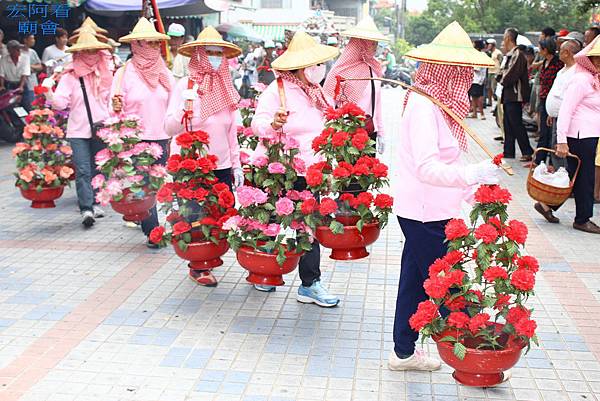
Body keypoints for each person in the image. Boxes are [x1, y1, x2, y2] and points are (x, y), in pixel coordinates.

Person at [387, 21, 498, 372]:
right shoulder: (423, 105)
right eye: (462, 70)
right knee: (450, 287)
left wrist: (471, 188)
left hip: (434, 209)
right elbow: (426, 167)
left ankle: (403, 352)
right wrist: (472, 174)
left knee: (415, 282)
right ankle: (477, 357)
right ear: (447, 71)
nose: (467, 77)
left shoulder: (439, 104)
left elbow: (447, 159)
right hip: (424, 212)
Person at [251, 31, 341, 306]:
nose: (319, 69)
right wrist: (275, 124)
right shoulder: (276, 90)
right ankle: (264, 271)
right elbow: (257, 125)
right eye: (313, 65)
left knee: (309, 226)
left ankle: (310, 283)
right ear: (299, 67)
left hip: (312, 171)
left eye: (320, 64)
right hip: (282, 172)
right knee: (271, 222)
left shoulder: (317, 93)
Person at [164, 27, 244, 286]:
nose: (214, 57)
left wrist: (237, 164)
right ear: (198, 55)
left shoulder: (226, 87)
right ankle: (198, 265)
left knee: (218, 215)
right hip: (191, 166)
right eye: (209, 52)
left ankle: (211, 257)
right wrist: (183, 113)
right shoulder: (184, 86)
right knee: (194, 216)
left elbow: (232, 131)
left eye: (218, 53)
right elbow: (169, 127)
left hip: (220, 164)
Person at [111, 18, 175, 246]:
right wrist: (117, 107)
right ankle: (153, 231)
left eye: (156, 43)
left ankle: (147, 220)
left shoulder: (164, 71)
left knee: (157, 184)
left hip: (162, 136)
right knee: (147, 184)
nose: (153, 48)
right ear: (136, 45)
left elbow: (175, 102)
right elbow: (114, 105)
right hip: (135, 139)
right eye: (148, 43)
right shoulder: (123, 73)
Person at [43, 30, 112, 227]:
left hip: (102, 128)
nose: (91, 53)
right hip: (78, 131)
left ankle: (98, 200)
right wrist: (48, 91)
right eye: (87, 50)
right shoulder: (70, 76)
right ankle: (86, 208)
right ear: (79, 53)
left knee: (100, 167)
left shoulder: (104, 72)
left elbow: (110, 101)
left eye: (94, 49)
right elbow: (60, 103)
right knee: (83, 169)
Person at [549, 36, 600, 234]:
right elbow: (566, 110)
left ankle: (547, 205)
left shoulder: (593, 79)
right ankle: (582, 219)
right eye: (596, 58)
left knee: (574, 176)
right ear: (590, 59)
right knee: (584, 178)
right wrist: (561, 141)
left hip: (589, 135)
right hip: (579, 136)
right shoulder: (581, 79)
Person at [323, 15, 388, 155]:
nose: (375, 47)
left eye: (376, 43)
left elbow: (377, 106)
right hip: (345, 133)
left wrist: (381, 132)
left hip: (369, 131)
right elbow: (328, 104)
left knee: (368, 174)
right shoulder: (340, 71)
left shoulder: (374, 70)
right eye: (372, 43)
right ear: (362, 44)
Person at [535, 39, 581, 223]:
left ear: (568, 53)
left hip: (567, 124)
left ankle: (549, 203)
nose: (558, 52)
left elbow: (569, 102)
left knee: (564, 166)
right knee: (560, 164)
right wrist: (552, 113)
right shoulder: (563, 70)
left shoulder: (576, 73)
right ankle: (548, 202)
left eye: (561, 50)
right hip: (556, 119)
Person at [499, 28, 534, 161]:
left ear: (508, 38)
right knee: (508, 123)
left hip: (515, 94)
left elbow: (510, 75)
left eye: (504, 37)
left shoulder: (518, 54)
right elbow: (502, 72)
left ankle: (527, 151)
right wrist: (500, 76)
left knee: (516, 123)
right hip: (509, 94)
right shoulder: (511, 54)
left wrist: (501, 79)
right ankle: (508, 151)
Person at [533, 38, 563, 167]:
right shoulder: (544, 62)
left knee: (551, 133)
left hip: (553, 101)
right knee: (543, 131)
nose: (539, 51)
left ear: (546, 50)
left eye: (540, 49)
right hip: (544, 99)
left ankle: (551, 161)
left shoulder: (557, 64)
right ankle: (539, 160)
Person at [21, 34, 43, 111]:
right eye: (31, 39)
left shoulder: (32, 52)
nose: (33, 41)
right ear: (25, 40)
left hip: (33, 83)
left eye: (34, 39)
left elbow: (40, 66)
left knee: (34, 106)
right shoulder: (19, 51)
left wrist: (30, 66)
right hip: (22, 84)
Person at [468, 40, 487, 119]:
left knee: (478, 96)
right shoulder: (479, 55)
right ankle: (475, 113)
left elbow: (477, 68)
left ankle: (482, 113)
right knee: (474, 97)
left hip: (477, 79)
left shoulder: (480, 55)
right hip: (475, 79)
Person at [486, 38, 503, 106]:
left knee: (494, 88)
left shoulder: (498, 53)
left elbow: (501, 62)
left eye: (489, 45)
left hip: (495, 72)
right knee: (489, 88)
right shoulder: (489, 53)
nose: (488, 46)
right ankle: (489, 102)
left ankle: (495, 104)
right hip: (489, 71)